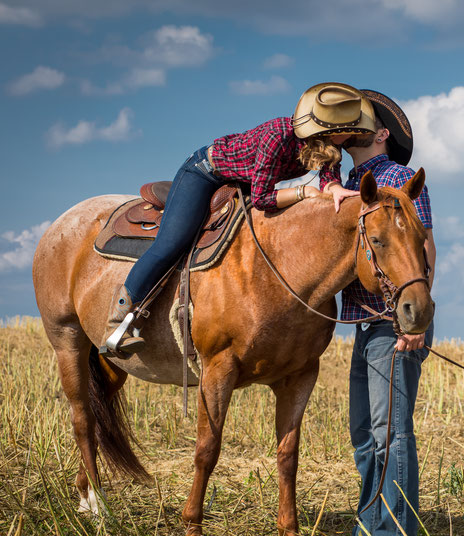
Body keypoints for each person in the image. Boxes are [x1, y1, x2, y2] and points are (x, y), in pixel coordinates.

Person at [101, 82, 374, 354]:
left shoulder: (327, 146)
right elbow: (262, 198)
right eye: (347, 132)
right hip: (206, 173)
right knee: (173, 242)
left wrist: (337, 190)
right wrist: (303, 192)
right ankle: (121, 314)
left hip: (243, 181)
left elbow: (329, 178)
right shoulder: (276, 135)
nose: (350, 137)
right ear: (329, 131)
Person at [341, 90, 435, 536]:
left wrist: (414, 321)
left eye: (361, 121)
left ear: (380, 134)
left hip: (395, 323)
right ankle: (370, 527)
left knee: (391, 431)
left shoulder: (399, 180)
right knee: (364, 431)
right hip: (363, 323)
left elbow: (424, 251)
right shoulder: (348, 183)